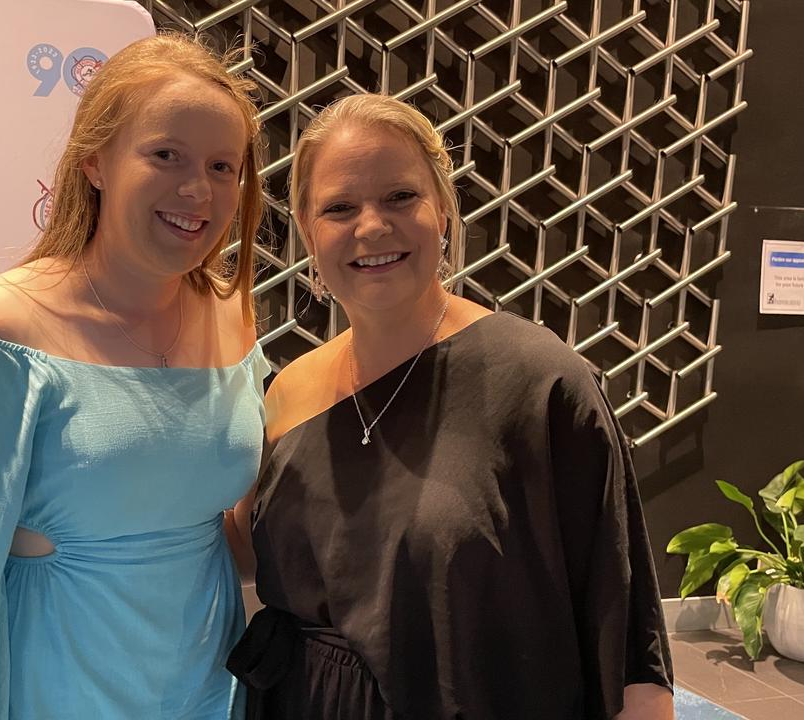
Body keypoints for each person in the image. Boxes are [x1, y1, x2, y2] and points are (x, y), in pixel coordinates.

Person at [227, 94, 674, 719]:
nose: (372, 226)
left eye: (400, 197)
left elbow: (626, 632)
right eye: (340, 207)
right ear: (307, 231)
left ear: (444, 209)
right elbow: (242, 552)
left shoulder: (542, 382)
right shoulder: (287, 390)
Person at [0, 33, 269, 719]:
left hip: (208, 690)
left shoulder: (231, 314)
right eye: (165, 155)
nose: (196, 190)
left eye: (221, 166)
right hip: (54, 693)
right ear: (95, 160)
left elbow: (230, 529)